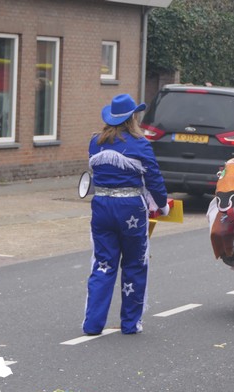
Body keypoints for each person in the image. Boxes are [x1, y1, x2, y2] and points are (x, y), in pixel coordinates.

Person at [83, 93, 169, 335]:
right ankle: (130, 324)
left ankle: (92, 324)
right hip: (131, 208)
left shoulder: (95, 142)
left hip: (101, 207)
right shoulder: (140, 144)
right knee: (134, 264)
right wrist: (163, 205)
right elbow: (154, 179)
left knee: (103, 264)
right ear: (132, 118)